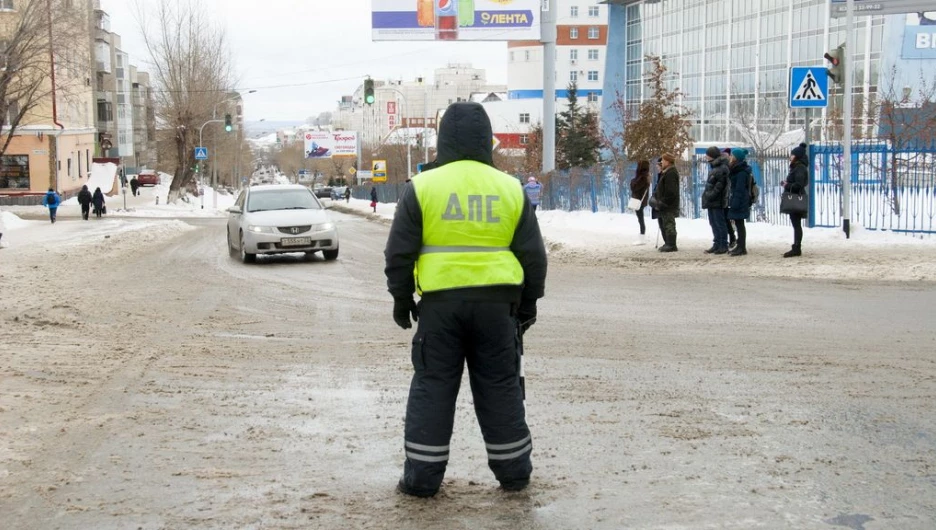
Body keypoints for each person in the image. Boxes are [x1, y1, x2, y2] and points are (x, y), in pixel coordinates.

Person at [384, 101, 547, 498]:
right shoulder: (509, 187)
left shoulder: (423, 187)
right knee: (500, 387)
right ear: (485, 139)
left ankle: (421, 480)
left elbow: (399, 253)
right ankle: (514, 474)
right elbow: (533, 255)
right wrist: (528, 306)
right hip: (498, 309)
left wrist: (401, 298)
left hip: (440, 309)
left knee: (434, 386)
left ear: (442, 139)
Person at [701, 147, 730, 254]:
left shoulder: (722, 168)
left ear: (712, 156)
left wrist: (710, 195)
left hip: (717, 201)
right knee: (713, 223)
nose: (706, 156)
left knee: (719, 223)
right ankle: (717, 243)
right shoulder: (715, 167)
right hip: (712, 201)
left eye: (707, 155)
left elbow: (719, 186)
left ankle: (723, 245)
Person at [649, 153, 680, 252]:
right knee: (664, 223)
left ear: (668, 161)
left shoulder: (671, 173)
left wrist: (663, 202)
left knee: (669, 224)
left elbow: (671, 191)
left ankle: (671, 244)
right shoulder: (666, 172)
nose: (661, 162)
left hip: (668, 205)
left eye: (663, 160)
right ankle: (667, 243)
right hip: (664, 204)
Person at [783, 143, 809, 258]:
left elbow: (799, 184)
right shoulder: (798, 167)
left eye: (792, 155)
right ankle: (796, 247)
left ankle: (797, 248)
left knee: (797, 225)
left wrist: (787, 185)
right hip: (795, 197)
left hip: (796, 198)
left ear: (797, 156)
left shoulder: (799, 168)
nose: (790, 156)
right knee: (796, 224)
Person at [727, 148, 753, 256]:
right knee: (739, 224)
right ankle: (740, 246)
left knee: (740, 224)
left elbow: (739, 189)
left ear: (736, 158)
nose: (730, 158)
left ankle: (742, 247)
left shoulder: (741, 172)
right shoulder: (737, 169)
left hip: (740, 200)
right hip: (738, 199)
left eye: (732, 156)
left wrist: (735, 203)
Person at [629, 160, 651, 244]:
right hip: (640, 200)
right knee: (640, 219)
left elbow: (634, 187)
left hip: (639, 200)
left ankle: (642, 237)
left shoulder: (642, 178)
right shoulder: (645, 176)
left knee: (640, 219)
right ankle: (642, 236)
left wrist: (632, 181)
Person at [723, 148, 737, 249]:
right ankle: (732, 238)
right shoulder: (727, 167)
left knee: (730, 220)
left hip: (730, 197)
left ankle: (733, 238)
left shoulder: (731, 168)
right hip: (727, 197)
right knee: (727, 220)